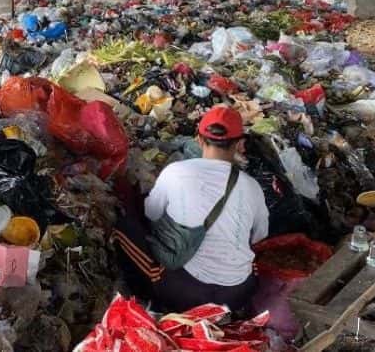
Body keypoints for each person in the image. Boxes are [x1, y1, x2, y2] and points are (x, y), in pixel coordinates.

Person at [113, 105, 269, 313]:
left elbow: (151, 214)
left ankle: (147, 299)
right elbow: (260, 236)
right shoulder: (252, 186)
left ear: (199, 140)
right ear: (240, 145)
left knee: (123, 227)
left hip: (185, 292)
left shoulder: (176, 172)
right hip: (238, 294)